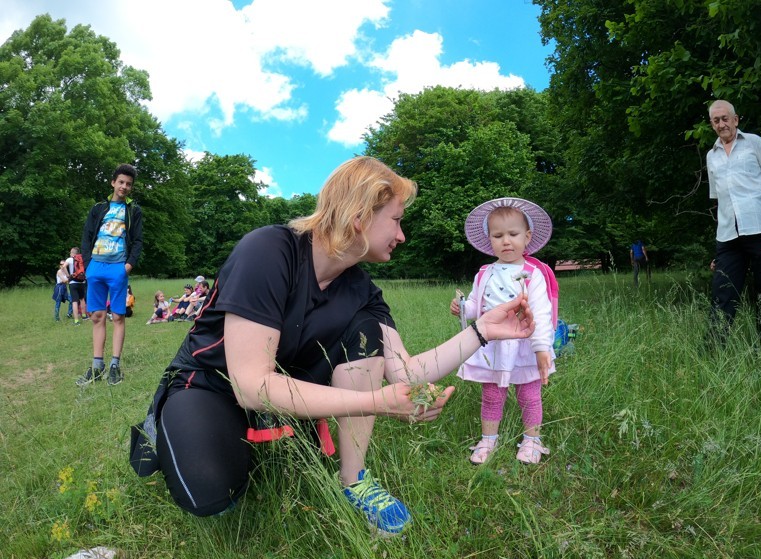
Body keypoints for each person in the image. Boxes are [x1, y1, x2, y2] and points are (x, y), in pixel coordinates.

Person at [129, 156, 535, 535]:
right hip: (210, 384)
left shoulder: (362, 291)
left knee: (366, 329)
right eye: (396, 221)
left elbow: (406, 373)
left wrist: (481, 331)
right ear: (360, 217)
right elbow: (250, 385)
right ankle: (173, 426)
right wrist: (375, 402)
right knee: (210, 494)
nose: (401, 235)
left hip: (283, 385)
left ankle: (353, 479)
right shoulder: (268, 251)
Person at [449, 198, 555, 465]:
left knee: (529, 395)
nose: (506, 241)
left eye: (513, 234)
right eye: (498, 236)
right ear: (490, 239)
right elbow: (477, 304)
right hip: (492, 344)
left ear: (527, 237)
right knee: (492, 394)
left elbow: (541, 313)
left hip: (525, 344)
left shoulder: (533, 273)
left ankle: (532, 440)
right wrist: (463, 307)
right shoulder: (485, 273)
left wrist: (541, 348)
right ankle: (488, 439)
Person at [705, 100, 761, 352]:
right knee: (722, 290)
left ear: (736, 119)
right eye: (716, 121)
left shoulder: (756, 143)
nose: (721, 124)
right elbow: (718, 199)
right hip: (728, 236)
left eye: (725, 118)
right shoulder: (711, 156)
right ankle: (713, 352)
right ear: (712, 124)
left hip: (760, 228)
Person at [75, 164, 143, 386]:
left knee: (118, 316)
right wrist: (88, 265)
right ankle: (97, 366)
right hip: (96, 266)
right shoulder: (98, 208)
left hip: (118, 268)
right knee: (97, 316)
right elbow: (86, 236)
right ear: (113, 182)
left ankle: (115, 365)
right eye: (121, 182)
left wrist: (128, 266)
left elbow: (138, 241)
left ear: (131, 187)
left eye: (128, 184)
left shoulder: (133, 211)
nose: (124, 186)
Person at [65, 247, 87, 324]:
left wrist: (68, 276)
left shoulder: (69, 259)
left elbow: (63, 267)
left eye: (71, 252)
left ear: (73, 253)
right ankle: (84, 316)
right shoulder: (82, 259)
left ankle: (76, 320)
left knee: (74, 301)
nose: (70, 253)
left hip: (73, 282)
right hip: (82, 282)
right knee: (82, 299)